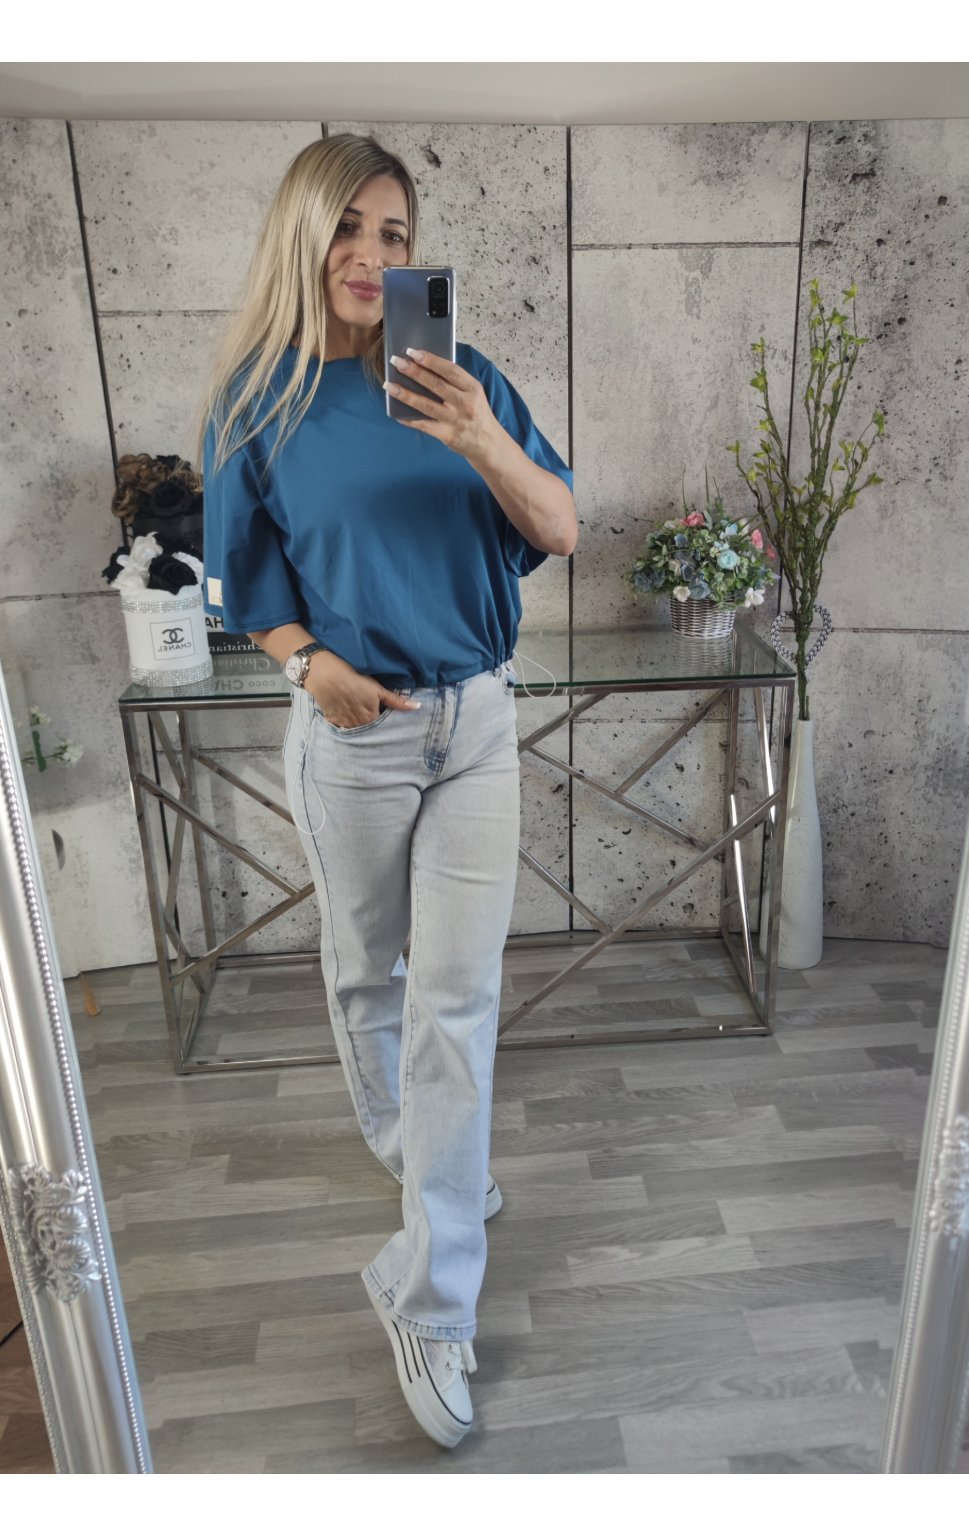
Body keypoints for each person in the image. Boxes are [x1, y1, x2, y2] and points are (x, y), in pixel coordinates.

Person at [197, 132, 576, 1449]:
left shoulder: (464, 378)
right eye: (348, 228)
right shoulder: (257, 403)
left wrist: (479, 435)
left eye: (394, 234)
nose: (371, 255)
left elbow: (559, 525)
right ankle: (427, 1166)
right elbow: (247, 594)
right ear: (304, 237)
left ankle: (433, 1297)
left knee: (456, 1004)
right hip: (354, 736)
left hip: (476, 721)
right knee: (371, 976)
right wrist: (313, 668)